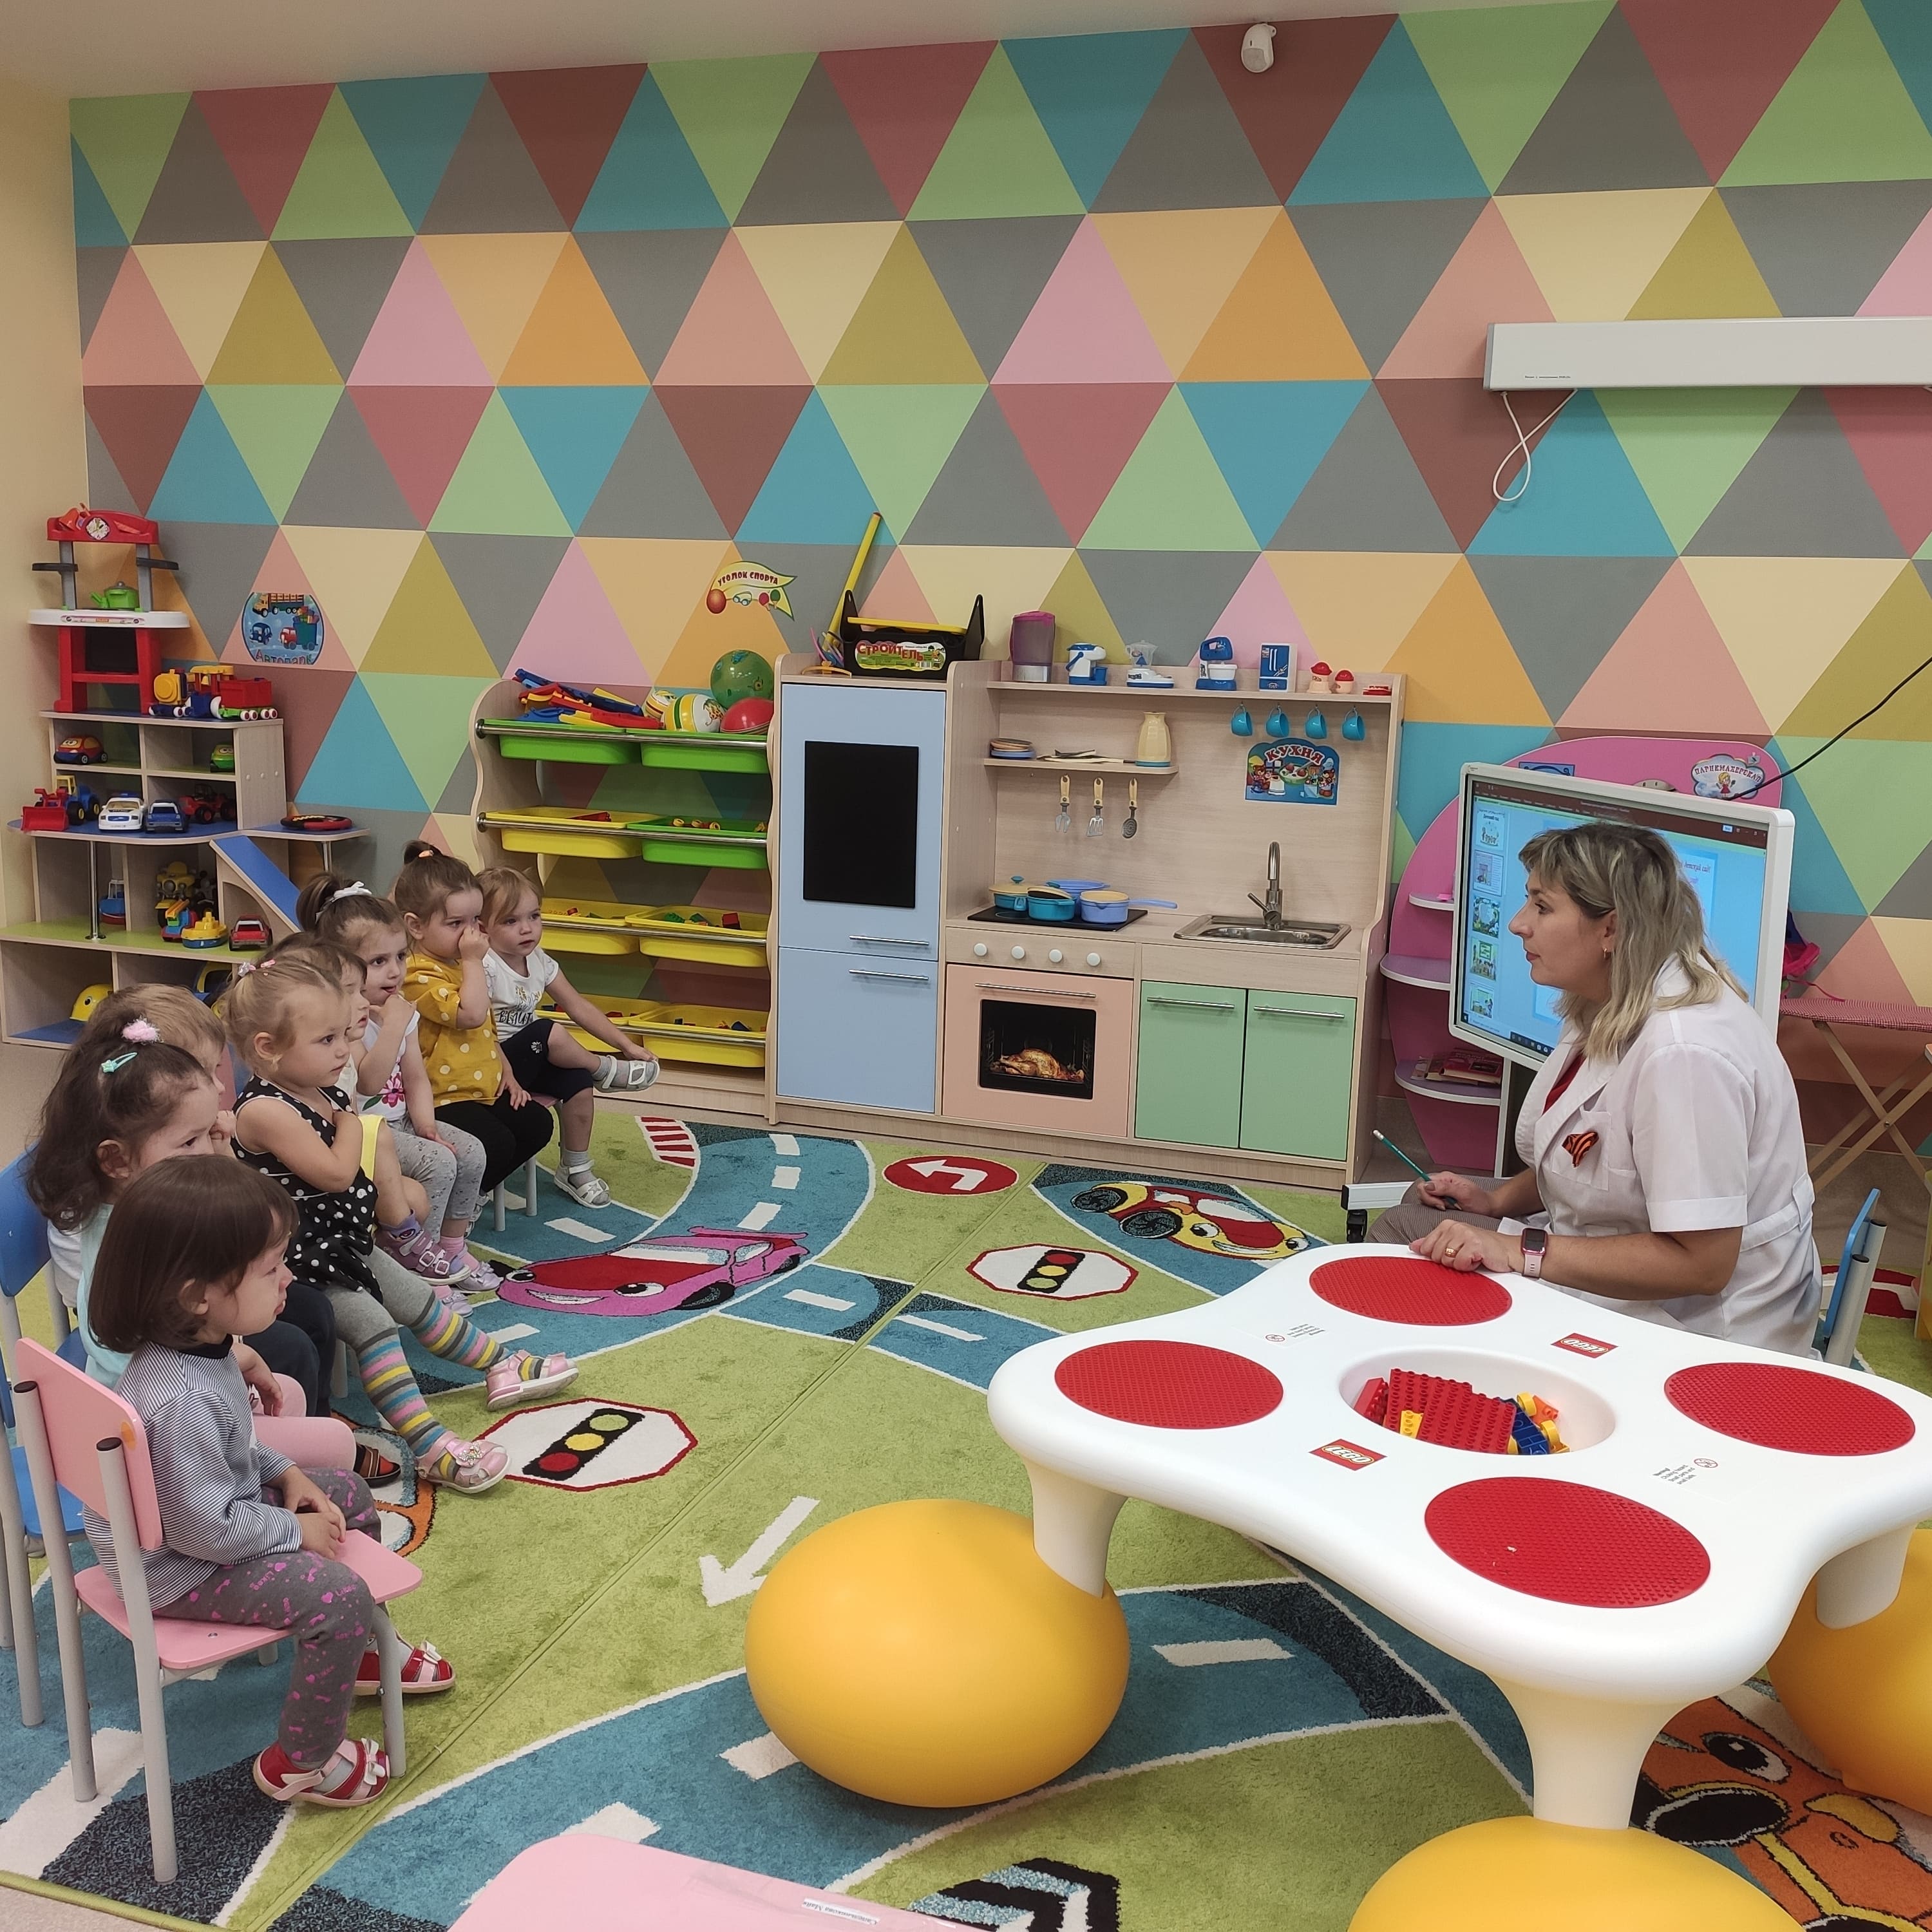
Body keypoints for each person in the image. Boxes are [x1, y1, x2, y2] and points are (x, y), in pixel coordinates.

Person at [82, 1158, 455, 1809]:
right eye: (271, 1268)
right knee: (337, 1596)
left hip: (203, 1525)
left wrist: (286, 1473)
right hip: (181, 1568)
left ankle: (361, 1652)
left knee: (345, 1493)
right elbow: (206, 1529)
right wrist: (293, 1528)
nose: (289, 1277)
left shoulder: (202, 1348)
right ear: (196, 1296)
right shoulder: (182, 1399)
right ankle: (304, 1761)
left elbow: (235, 1449)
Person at [1371, 820, 1822, 1356]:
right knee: (1422, 1206)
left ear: (1611, 929)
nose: (1517, 924)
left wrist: (1518, 1249)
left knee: (1403, 1231)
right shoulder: (1615, 996)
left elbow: (1704, 1264)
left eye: (1542, 907)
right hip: (1613, 1249)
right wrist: (1493, 1202)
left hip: (1701, 1329)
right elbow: (1587, 1158)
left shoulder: (1684, 1055)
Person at [221, 952, 577, 1492]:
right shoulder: (264, 1109)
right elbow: (337, 1173)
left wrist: (345, 1112)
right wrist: (351, 1121)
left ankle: (501, 1364)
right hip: (299, 1261)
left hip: (342, 1242)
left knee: (420, 1301)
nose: (343, 1050)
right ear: (268, 1049)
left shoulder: (316, 1089)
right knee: (377, 1328)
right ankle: (430, 1447)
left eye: (344, 1035)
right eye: (326, 1040)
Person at [25, 1019, 332, 1417]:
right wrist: (234, 1357)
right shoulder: (123, 1245)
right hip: (162, 1410)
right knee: (292, 1349)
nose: (204, 1151)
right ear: (117, 1160)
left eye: (207, 1133)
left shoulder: (170, 1200)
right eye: (189, 1141)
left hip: (204, 1341)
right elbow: (128, 1361)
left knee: (311, 1310)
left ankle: (314, 1420)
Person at [296, 874, 496, 1291]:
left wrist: (428, 1126)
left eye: (400, 957)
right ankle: (426, 1270)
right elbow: (369, 1082)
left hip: (403, 1125)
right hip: (367, 1132)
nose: (394, 971)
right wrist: (392, 1026)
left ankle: (451, 1247)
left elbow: (416, 1079)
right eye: (377, 962)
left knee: (471, 1152)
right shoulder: (344, 1020)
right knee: (440, 1163)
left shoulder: (401, 1010)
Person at [478, 866, 657, 1209]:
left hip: (528, 1057)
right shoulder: (484, 965)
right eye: (511, 921)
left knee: (576, 1081)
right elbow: (480, 1031)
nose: (527, 928)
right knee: (546, 1030)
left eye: (534, 916)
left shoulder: (538, 960)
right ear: (483, 928)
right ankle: (603, 1070)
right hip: (492, 1065)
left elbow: (578, 1005)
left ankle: (575, 1168)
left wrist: (627, 1045)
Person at [392, 842, 554, 1195]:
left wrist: (507, 1072)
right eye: (456, 924)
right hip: (441, 1097)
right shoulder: (415, 973)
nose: (471, 934)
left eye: (475, 921)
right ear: (416, 926)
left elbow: (488, 1029)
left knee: (537, 1124)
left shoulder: (463, 965)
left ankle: (470, 1194)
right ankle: (459, 1204)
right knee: (496, 1142)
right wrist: (472, 962)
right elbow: (471, 1015)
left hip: (482, 1087)